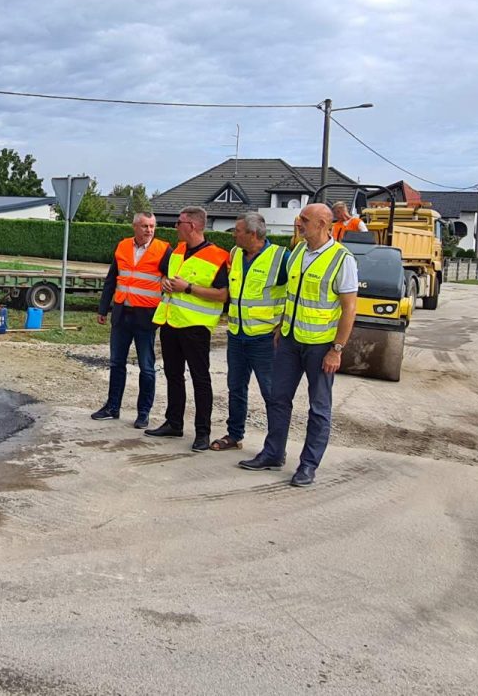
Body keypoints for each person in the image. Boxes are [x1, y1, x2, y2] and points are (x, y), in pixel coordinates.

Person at [239, 203, 358, 486]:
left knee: (318, 408)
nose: (298, 222)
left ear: (322, 224)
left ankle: (308, 465)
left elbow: (350, 309)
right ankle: (273, 453)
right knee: (278, 398)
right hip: (290, 342)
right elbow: (290, 296)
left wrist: (336, 349)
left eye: (304, 219)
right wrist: (281, 326)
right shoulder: (297, 254)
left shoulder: (342, 259)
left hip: (320, 346)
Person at [145, 206, 229, 450]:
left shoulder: (217, 256)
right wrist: (165, 282)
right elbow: (163, 274)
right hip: (171, 322)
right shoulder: (177, 250)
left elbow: (223, 294)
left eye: (179, 222)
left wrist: (188, 288)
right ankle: (174, 423)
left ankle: (202, 432)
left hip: (196, 327)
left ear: (191, 225)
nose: (175, 227)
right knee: (173, 375)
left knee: (200, 380)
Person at [208, 212, 287, 452]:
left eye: (237, 231)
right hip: (237, 334)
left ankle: (275, 448)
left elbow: (296, 293)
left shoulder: (281, 258)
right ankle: (234, 435)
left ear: (252, 234)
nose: (234, 234)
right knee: (236, 388)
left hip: (265, 339)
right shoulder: (235, 254)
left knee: (272, 393)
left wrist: (283, 325)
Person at [91, 212, 170, 428]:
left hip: (146, 316)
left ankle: (143, 413)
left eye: (152, 226)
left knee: (146, 367)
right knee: (117, 363)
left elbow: (172, 280)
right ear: (135, 226)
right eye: (145, 226)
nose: (149, 230)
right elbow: (112, 279)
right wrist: (103, 308)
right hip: (121, 313)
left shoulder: (164, 250)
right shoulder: (123, 246)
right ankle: (112, 407)